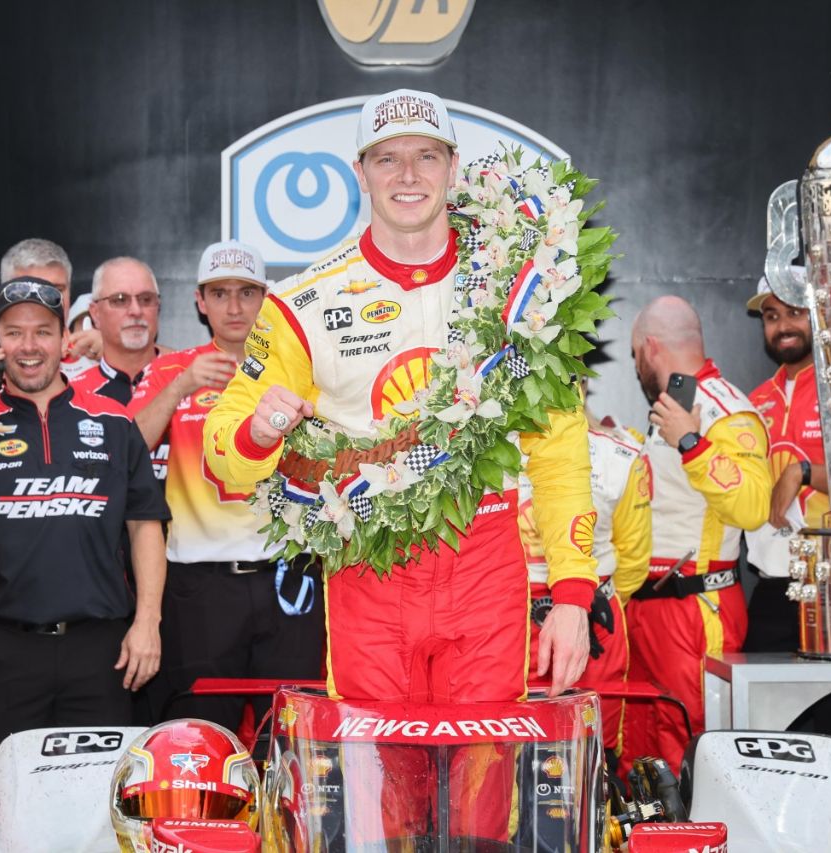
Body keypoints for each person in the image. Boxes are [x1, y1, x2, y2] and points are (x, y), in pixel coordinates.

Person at [203, 88, 596, 845]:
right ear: (360, 172)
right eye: (387, 157)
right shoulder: (302, 303)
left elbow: (559, 449)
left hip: (484, 563)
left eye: (425, 154)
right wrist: (257, 429)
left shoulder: (516, 291)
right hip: (369, 571)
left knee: (485, 791)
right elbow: (226, 454)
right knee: (381, 790)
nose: (406, 173)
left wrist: (573, 593)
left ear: (454, 168)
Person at [0, 278, 169, 852]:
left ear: (65, 339)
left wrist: (148, 623)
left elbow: (145, 524)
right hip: (2, 651)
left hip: (100, 649)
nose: (28, 345)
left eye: (42, 331)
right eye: (13, 332)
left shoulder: (114, 421)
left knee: (101, 812)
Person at [128, 240, 325, 730]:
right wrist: (180, 388)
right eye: (220, 294)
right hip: (201, 583)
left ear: (267, 298)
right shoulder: (171, 369)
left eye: (246, 292)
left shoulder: (301, 365)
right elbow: (125, 454)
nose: (234, 307)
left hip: (289, 573)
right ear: (200, 301)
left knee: (290, 730)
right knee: (198, 733)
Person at [621, 295, 771, 770]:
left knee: (691, 749)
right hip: (645, 609)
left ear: (650, 348)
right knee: (643, 755)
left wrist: (692, 441)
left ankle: (695, 846)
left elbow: (752, 506)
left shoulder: (728, 410)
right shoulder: (672, 406)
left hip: (694, 607)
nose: (636, 367)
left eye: (634, 356)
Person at [518, 392, 652, 757]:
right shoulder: (623, 455)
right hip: (559, 612)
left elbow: (635, 561)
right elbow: (634, 558)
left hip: (583, 618)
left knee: (591, 747)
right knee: (584, 752)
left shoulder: (623, 457)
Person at [741, 272, 828, 651]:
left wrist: (803, 472)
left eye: (795, 312)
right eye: (772, 316)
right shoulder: (753, 401)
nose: (783, 326)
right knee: (760, 710)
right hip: (772, 585)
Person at [72, 257, 169, 480]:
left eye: (146, 299)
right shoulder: (72, 394)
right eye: (120, 300)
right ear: (95, 314)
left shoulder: (188, 381)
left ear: (158, 307)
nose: (135, 310)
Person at [0, 237, 100, 376]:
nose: (46, 301)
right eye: (31, 292)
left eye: (57, 290)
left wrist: (117, 357)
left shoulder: (100, 357)